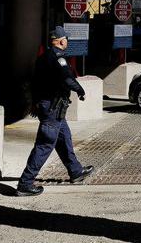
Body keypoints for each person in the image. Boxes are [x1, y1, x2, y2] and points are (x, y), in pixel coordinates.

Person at [16, 26, 94, 196]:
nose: (67, 41)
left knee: (64, 137)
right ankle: (25, 183)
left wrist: (37, 103)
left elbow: (35, 81)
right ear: (60, 40)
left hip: (51, 108)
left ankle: (75, 171)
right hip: (52, 107)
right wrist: (80, 90)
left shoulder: (43, 57)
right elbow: (67, 78)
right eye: (66, 39)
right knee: (45, 144)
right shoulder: (58, 58)